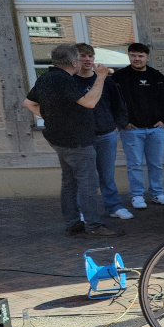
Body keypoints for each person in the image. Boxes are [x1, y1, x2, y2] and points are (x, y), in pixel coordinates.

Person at [23, 44, 123, 238]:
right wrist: (101, 76)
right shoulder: (64, 80)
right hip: (77, 141)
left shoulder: (46, 77)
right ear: (74, 62)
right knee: (88, 183)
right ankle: (93, 225)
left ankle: (73, 223)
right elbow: (90, 102)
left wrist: (52, 119)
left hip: (59, 139)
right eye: (79, 58)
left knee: (69, 181)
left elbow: (28, 103)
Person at [112, 43, 164, 209]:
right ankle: (137, 196)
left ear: (147, 57)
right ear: (129, 56)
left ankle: (157, 193)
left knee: (156, 164)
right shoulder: (120, 78)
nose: (137, 59)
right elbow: (111, 101)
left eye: (140, 56)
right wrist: (123, 122)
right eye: (133, 55)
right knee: (135, 165)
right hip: (131, 130)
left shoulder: (157, 77)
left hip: (155, 129)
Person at [74, 43, 132, 220]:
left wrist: (117, 126)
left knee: (107, 175)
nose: (87, 59)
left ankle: (113, 206)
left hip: (107, 134)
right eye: (83, 56)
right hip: (82, 137)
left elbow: (120, 106)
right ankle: (82, 211)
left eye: (90, 56)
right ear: (75, 59)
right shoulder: (71, 82)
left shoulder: (107, 81)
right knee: (85, 178)